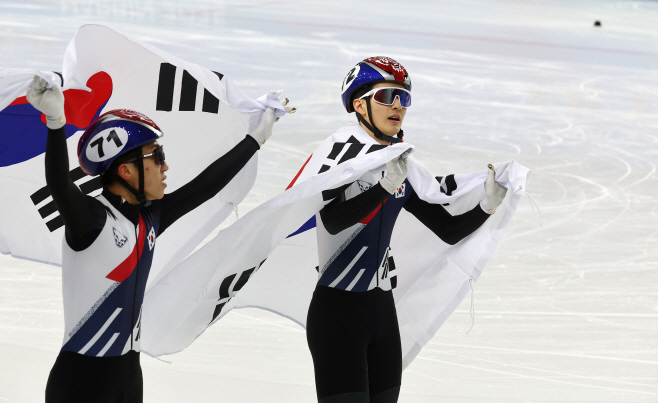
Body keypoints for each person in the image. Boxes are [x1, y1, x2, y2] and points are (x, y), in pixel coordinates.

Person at [26, 75, 290, 402]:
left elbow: (207, 185)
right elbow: (58, 185)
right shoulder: (91, 219)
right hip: (82, 380)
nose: (165, 166)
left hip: (128, 377)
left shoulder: (150, 217)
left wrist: (257, 137)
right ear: (126, 170)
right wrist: (55, 121)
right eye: (156, 156)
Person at [305, 56, 507, 403]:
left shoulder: (399, 166)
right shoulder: (340, 158)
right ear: (359, 104)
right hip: (338, 315)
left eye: (404, 98)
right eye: (386, 96)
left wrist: (487, 204)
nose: (397, 105)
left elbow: (447, 229)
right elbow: (331, 219)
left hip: (381, 314)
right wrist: (382, 189)